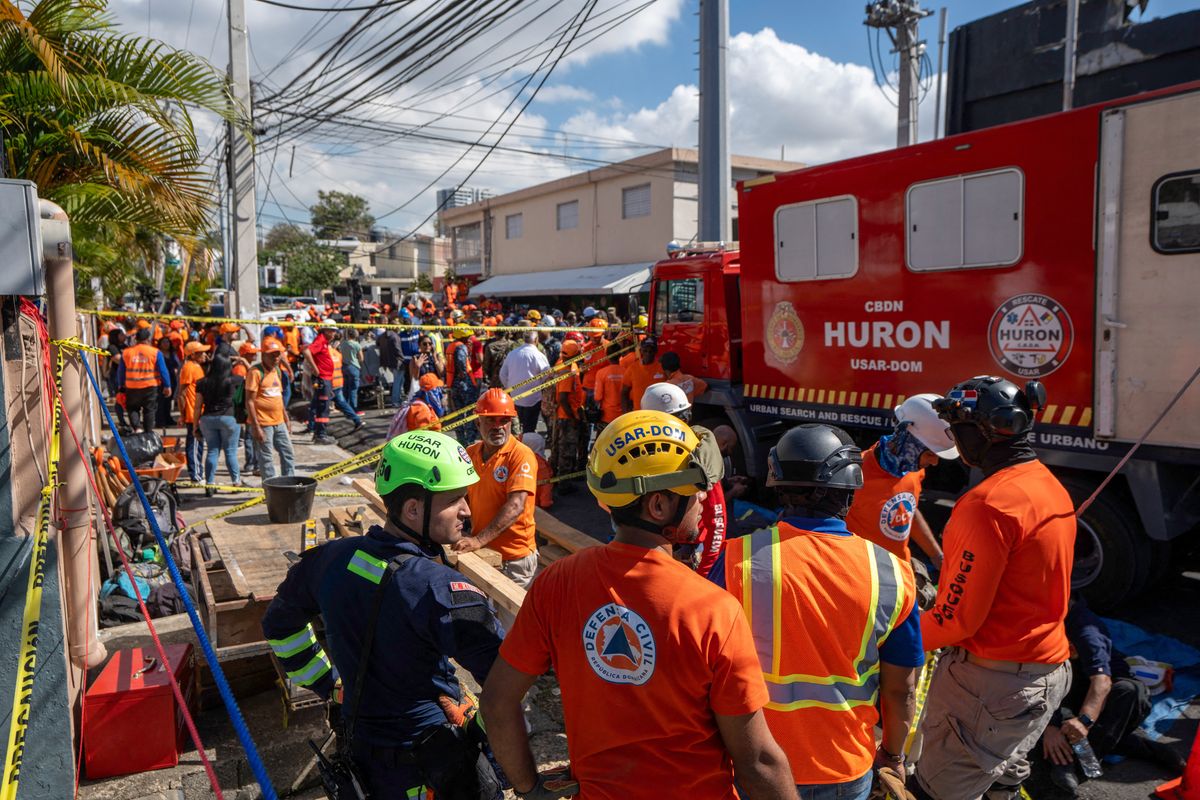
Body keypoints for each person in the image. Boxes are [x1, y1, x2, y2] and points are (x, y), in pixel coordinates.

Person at [481, 410, 796, 800]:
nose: (702, 499)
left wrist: (528, 786)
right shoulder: (713, 610)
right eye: (694, 489)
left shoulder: (556, 583)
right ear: (659, 506)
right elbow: (758, 761)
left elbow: (496, 702)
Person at [261, 431, 506, 800]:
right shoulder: (440, 590)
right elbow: (509, 679)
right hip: (437, 767)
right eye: (454, 499)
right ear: (412, 508)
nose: (467, 510)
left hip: (364, 759)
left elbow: (279, 625)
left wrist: (329, 684)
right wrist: (479, 733)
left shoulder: (331, 559)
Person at [710, 423, 923, 799]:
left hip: (754, 763)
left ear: (778, 485)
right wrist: (892, 754)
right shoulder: (891, 573)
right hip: (844, 767)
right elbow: (901, 689)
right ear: (849, 493)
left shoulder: (733, 560)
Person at [916, 376, 1073, 800]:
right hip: (1043, 675)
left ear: (977, 432)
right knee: (1004, 777)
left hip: (993, 687)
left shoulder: (988, 505)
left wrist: (891, 636)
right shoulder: (1045, 483)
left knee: (935, 791)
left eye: (956, 430)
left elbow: (954, 621)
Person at [1041, 597, 1186, 795]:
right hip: (1066, 688)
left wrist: (1083, 721)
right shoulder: (1042, 619)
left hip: (1101, 695)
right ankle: (1135, 746)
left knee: (1129, 691)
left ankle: (1075, 763)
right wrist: (1050, 725)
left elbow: (1101, 683)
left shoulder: (1086, 630)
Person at [844, 394, 956, 568]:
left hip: (899, 576)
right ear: (907, 441)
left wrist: (936, 555)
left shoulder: (914, 471)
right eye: (930, 454)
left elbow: (906, 511)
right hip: (866, 580)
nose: (934, 463)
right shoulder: (853, 476)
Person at [452, 389, 539, 589]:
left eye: (504, 420)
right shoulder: (470, 454)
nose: (498, 427)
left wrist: (478, 540)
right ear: (477, 423)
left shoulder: (520, 455)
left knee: (510, 620)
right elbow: (456, 496)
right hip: (483, 552)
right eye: (491, 420)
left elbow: (516, 506)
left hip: (514, 558)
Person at [246, 338, 295, 481]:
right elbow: (249, 401)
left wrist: (286, 418)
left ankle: (289, 483)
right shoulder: (255, 372)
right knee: (266, 458)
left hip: (279, 422)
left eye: (278, 354)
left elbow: (278, 398)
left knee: (288, 453)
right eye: (272, 355)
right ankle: (271, 489)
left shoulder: (277, 371)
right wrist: (256, 427)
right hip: (263, 423)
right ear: (263, 355)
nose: (276, 358)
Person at [194, 353, 242, 494]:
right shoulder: (235, 381)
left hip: (208, 419)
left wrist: (194, 426)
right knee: (231, 451)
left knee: (212, 451)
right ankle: (236, 482)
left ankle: (209, 484)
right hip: (229, 418)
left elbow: (197, 406)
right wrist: (242, 361)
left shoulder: (202, 382)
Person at [118, 325, 172, 433]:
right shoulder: (155, 352)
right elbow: (163, 370)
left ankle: (137, 428)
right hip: (150, 386)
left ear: (136, 339)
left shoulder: (127, 352)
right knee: (149, 409)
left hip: (132, 386)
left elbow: (121, 371)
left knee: (132, 408)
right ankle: (148, 432)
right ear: (148, 339)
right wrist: (167, 386)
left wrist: (120, 385)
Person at [499, 330, 550, 436]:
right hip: (533, 398)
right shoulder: (538, 355)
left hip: (515, 397)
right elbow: (547, 376)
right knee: (529, 429)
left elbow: (502, 374)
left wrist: (509, 388)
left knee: (515, 429)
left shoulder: (512, 354)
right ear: (536, 340)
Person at [552, 340, 586, 490]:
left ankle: (555, 479)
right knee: (567, 452)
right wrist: (573, 418)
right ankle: (564, 485)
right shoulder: (567, 370)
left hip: (565, 414)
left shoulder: (562, 364)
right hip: (566, 417)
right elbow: (563, 399)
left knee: (559, 449)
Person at [177, 341, 209, 482]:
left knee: (198, 445)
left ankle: (197, 473)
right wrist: (183, 414)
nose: (204, 354)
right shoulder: (189, 368)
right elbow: (182, 394)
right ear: (193, 355)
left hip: (197, 412)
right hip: (192, 413)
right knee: (195, 446)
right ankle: (196, 475)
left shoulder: (196, 367)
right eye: (201, 352)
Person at [303, 320, 338, 445]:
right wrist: (315, 368)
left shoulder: (323, 341)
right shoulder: (320, 340)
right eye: (332, 331)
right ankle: (321, 435)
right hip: (323, 378)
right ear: (326, 330)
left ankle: (319, 433)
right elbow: (307, 351)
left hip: (325, 378)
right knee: (323, 407)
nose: (334, 334)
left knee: (319, 406)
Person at [446, 324, 481, 445]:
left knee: (459, 413)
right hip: (464, 384)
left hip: (454, 384)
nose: (470, 338)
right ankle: (469, 441)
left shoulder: (451, 345)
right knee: (471, 412)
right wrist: (463, 372)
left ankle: (461, 440)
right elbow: (462, 363)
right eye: (468, 336)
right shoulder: (461, 347)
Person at [620, 336, 664, 413]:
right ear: (641, 351)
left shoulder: (662, 367)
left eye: (651, 351)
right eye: (645, 350)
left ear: (656, 351)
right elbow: (624, 392)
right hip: (638, 413)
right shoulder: (632, 368)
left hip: (658, 413)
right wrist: (625, 412)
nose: (648, 353)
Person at [590, 342, 627, 432]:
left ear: (607, 355)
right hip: (623, 416)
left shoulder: (601, 373)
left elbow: (597, 397)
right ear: (620, 355)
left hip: (606, 417)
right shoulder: (627, 372)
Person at [339, 326, 364, 411]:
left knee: (345, 388)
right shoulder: (356, 344)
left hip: (344, 366)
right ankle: (354, 408)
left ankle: (345, 408)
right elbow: (361, 358)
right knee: (353, 389)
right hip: (354, 366)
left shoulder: (342, 343)